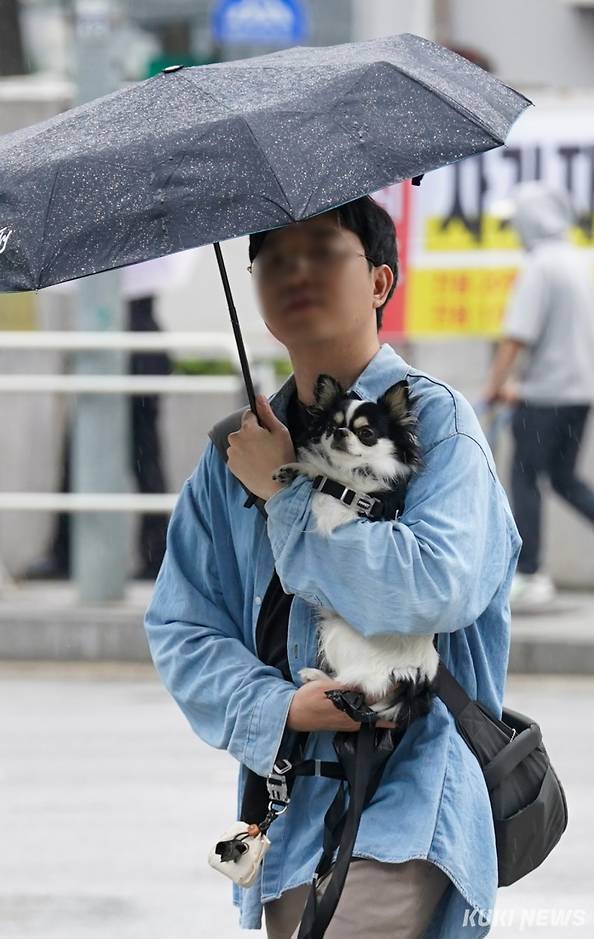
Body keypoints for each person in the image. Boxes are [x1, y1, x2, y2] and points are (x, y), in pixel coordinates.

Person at [144, 195, 521, 939]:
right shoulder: (234, 455)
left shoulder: (435, 425)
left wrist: (286, 494)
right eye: (274, 259)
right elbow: (181, 627)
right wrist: (279, 708)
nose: (297, 272)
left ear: (380, 280)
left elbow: (434, 586)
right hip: (287, 816)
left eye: (322, 250)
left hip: (413, 789)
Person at [483, 181, 594, 609]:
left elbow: (517, 336)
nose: (515, 229)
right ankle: (530, 571)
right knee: (564, 479)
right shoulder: (578, 260)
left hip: (545, 397)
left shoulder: (540, 266)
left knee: (525, 476)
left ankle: (529, 573)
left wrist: (495, 386)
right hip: (579, 394)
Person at [24, 294, 171, 581]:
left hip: (134, 355)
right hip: (120, 354)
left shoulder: (131, 292)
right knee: (99, 456)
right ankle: (153, 554)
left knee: (142, 461)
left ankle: (156, 554)